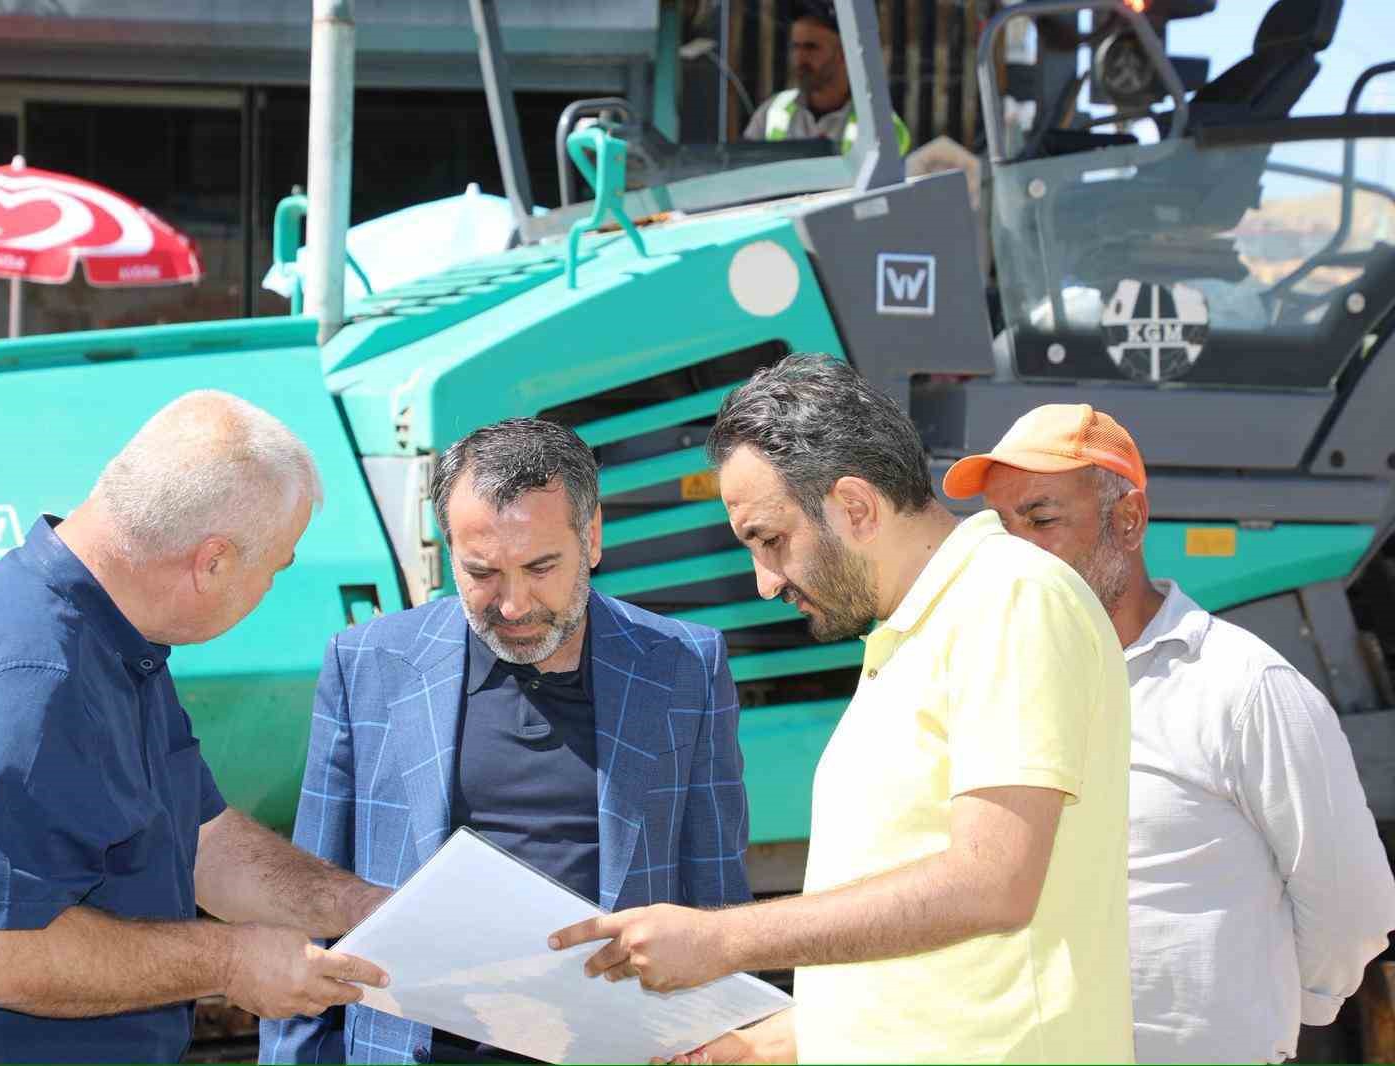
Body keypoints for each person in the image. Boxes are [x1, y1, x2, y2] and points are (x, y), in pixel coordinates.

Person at [550, 354, 1134, 1064]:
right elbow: (923, 941)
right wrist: (775, 1044)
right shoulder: (915, 631)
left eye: (769, 539)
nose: (765, 582)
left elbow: (994, 882)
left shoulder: (1011, 596)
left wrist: (722, 940)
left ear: (855, 507)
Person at [0, 391, 390, 1065]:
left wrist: (361, 907)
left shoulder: (116, 636)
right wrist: (230, 960)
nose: (271, 587)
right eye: (276, 567)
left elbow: (202, 841)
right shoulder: (28, 678)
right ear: (213, 561)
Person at [261, 417, 751, 1066]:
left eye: (541, 566)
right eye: (482, 572)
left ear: (593, 536)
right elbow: (307, 911)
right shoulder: (368, 665)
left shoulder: (684, 665)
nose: (514, 605)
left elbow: (718, 904)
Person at [942, 402, 1395, 1064]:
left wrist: (1269, 1012)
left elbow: (1350, 903)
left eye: (1041, 520)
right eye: (1003, 529)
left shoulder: (1243, 687)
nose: (1019, 554)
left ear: (1127, 521)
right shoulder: (994, 688)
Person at [742, 0, 912, 157]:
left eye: (811, 47)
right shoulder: (772, 111)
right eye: (795, 47)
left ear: (845, 52)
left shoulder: (882, 126)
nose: (799, 58)